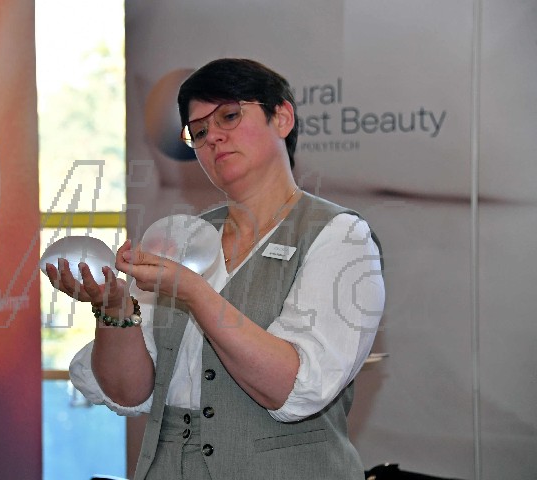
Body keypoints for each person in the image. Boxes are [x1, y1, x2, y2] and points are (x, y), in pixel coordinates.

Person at [46, 58, 384, 479]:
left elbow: (291, 388)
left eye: (229, 116)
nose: (214, 138)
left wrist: (194, 292)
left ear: (282, 118)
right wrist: (115, 309)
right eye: (200, 131)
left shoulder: (340, 236)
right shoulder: (180, 237)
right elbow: (129, 393)